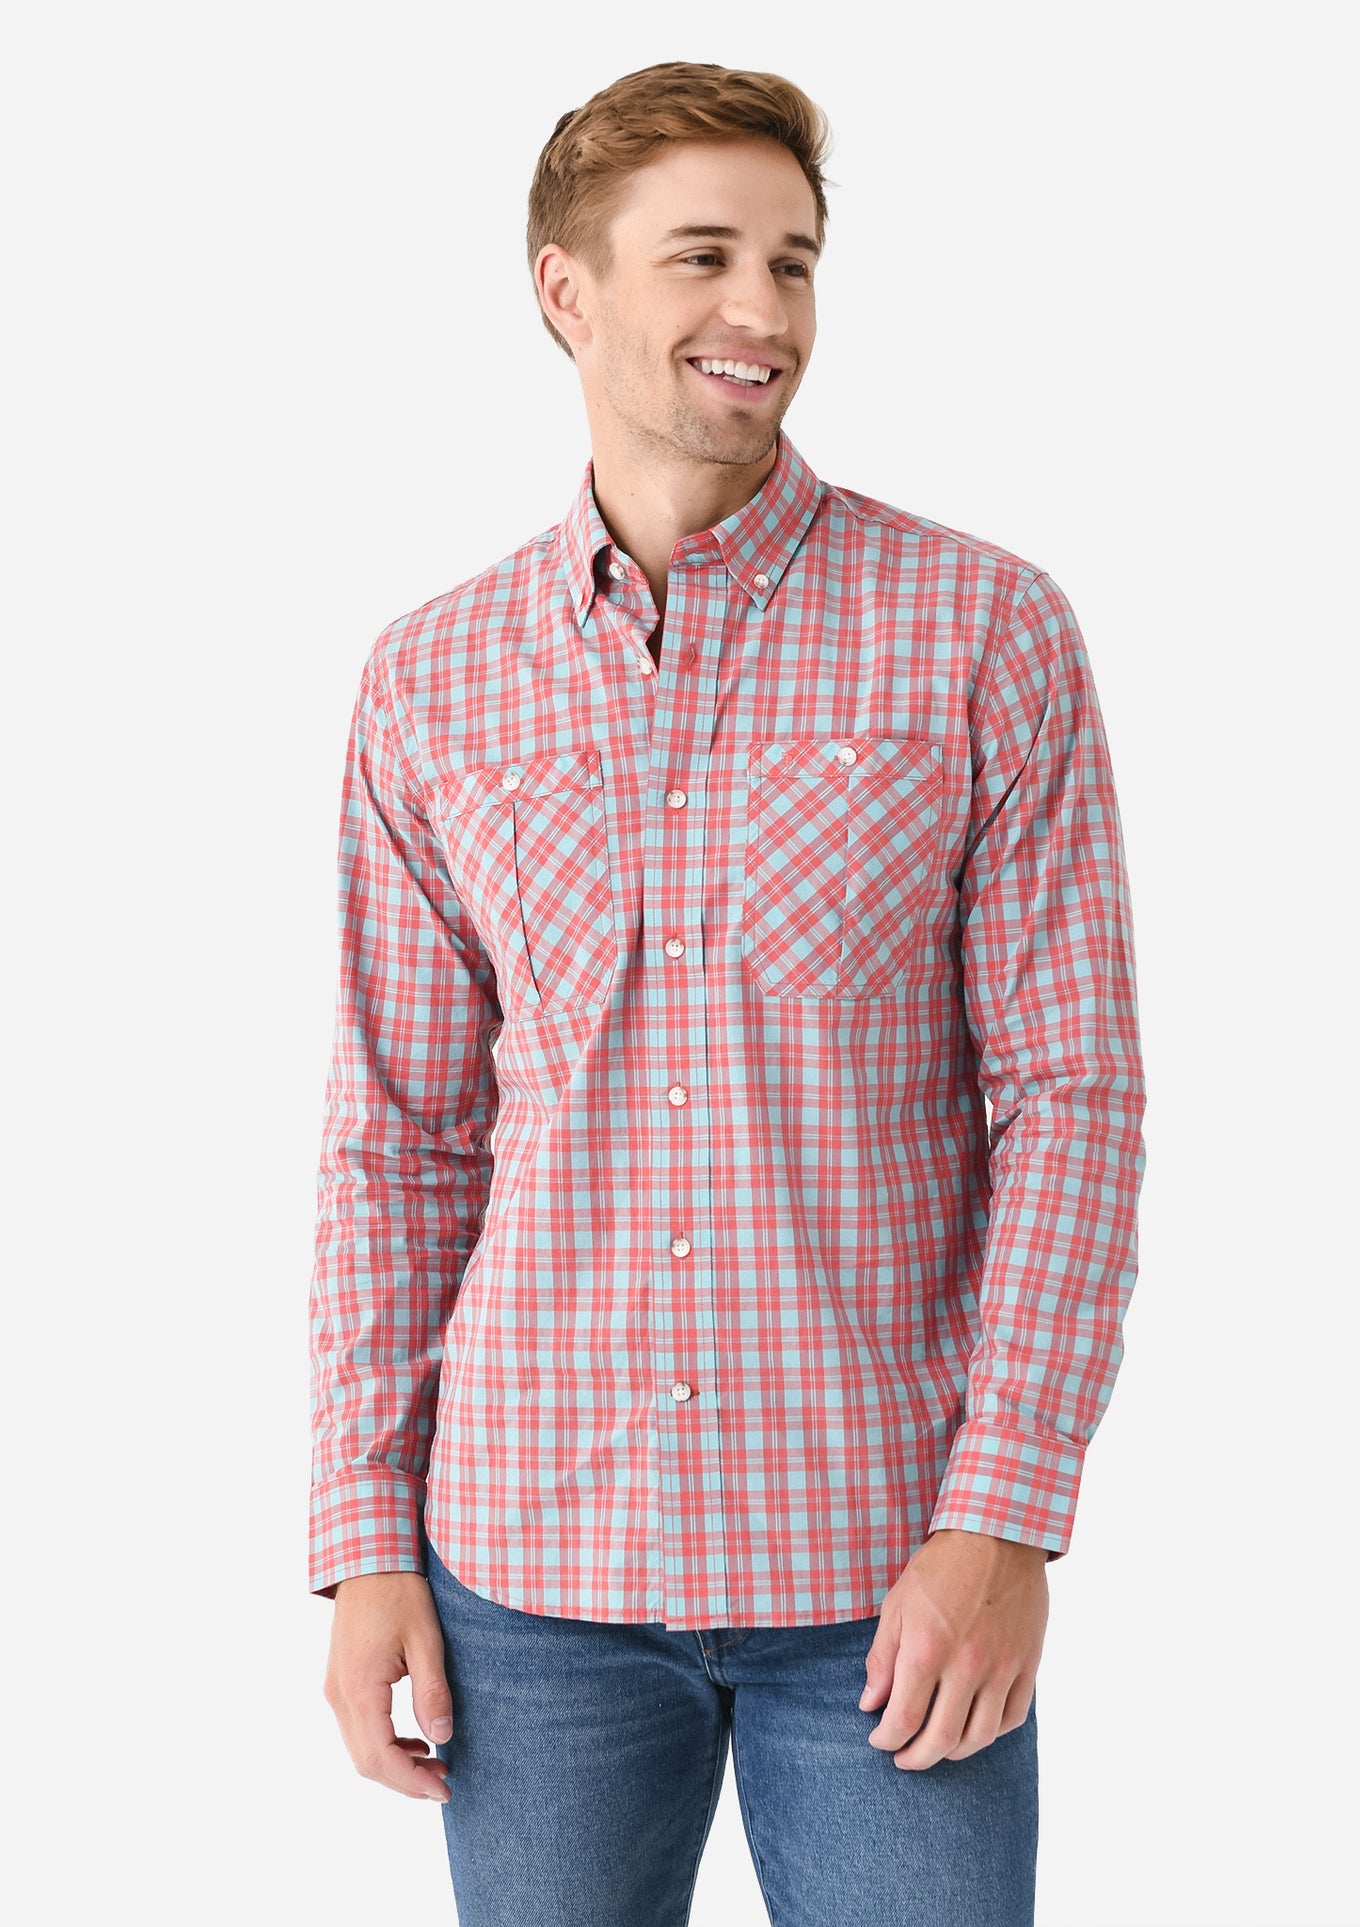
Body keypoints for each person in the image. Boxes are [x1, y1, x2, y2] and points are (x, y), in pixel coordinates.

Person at [309, 59, 1146, 1927]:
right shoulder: (430, 678)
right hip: (527, 1577)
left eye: (792, 260)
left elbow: (1069, 1098)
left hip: (887, 1573)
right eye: (701, 256)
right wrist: (364, 1536)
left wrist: (1002, 1519)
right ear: (565, 289)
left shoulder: (981, 629)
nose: (760, 309)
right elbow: (400, 1137)